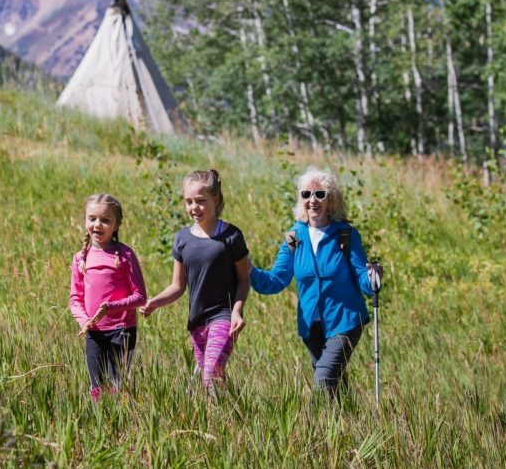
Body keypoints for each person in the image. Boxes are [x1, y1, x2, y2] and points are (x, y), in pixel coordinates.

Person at [249, 167, 376, 398]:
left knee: (324, 378)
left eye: (319, 194)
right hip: (311, 326)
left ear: (331, 199)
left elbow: (363, 278)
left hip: (345, 320)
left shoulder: (345, 234)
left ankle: (326, 428)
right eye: (306, 194)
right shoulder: (294, 236)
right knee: (333, 385)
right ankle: (347, 425)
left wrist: (372, 278)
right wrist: (247, 270)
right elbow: (276, 279)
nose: (312, 200)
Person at [141, 169, 251, 392]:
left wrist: (237, 311)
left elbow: (244, 279)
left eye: (201, 201)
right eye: (189, 202)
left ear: (216, 199)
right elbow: (177, 286)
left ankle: (222, 419)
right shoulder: (182, 238)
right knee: (210, 379)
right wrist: (155, 301)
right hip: (196, 321)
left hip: (223, 319)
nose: (194, 208)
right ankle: (230, 417)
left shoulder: (231, 236)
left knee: (211, 373)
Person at [69, 193, 147, 401]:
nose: (98, 225)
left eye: (105, 220)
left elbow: (140, 297)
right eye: (92, 218)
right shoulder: (80, 258)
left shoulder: (125, 255)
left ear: (116, 224)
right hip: (94, 332)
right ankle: (100, 424)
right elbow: (75, 299)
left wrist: (110, 307)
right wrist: (84, 321)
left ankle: (121, 425)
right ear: (85, 220)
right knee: (96, 386)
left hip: (122, 331)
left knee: (117, 386)